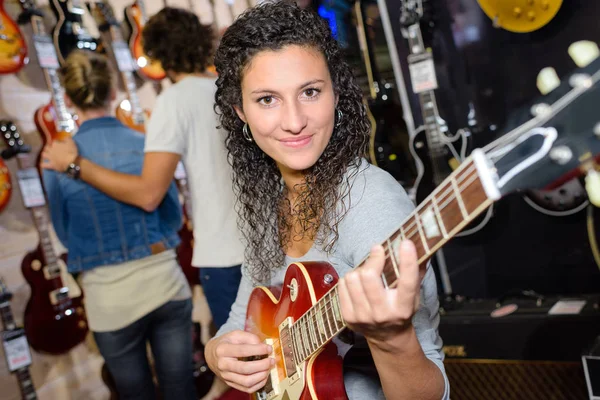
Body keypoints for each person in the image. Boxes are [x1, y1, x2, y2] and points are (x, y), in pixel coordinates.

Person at [203, 2, 449, 399]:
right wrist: (217, 352)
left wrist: (391, 340)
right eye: (267, 99)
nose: (295, 120)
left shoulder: (371, 202)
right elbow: (242, 317)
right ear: (240, 112)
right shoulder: (271, 199)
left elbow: (431, 390)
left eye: (310, 92)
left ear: (335, 93)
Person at [40, 7, 244, 336]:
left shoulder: (174, 101)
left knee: (249, 367)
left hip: (223, 255)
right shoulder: (231, 89)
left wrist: (77, 166)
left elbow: (149, 195)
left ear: (157, 54)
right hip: (262, 245)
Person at [41, 51, 196, 400]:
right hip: (164, 283)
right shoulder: (146, 143)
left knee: (133, 394)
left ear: (67, 99)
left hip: (108, 299)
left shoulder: (55, 159)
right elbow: (173, 215)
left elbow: (65, 232)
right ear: (113, 93)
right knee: (180, 388)